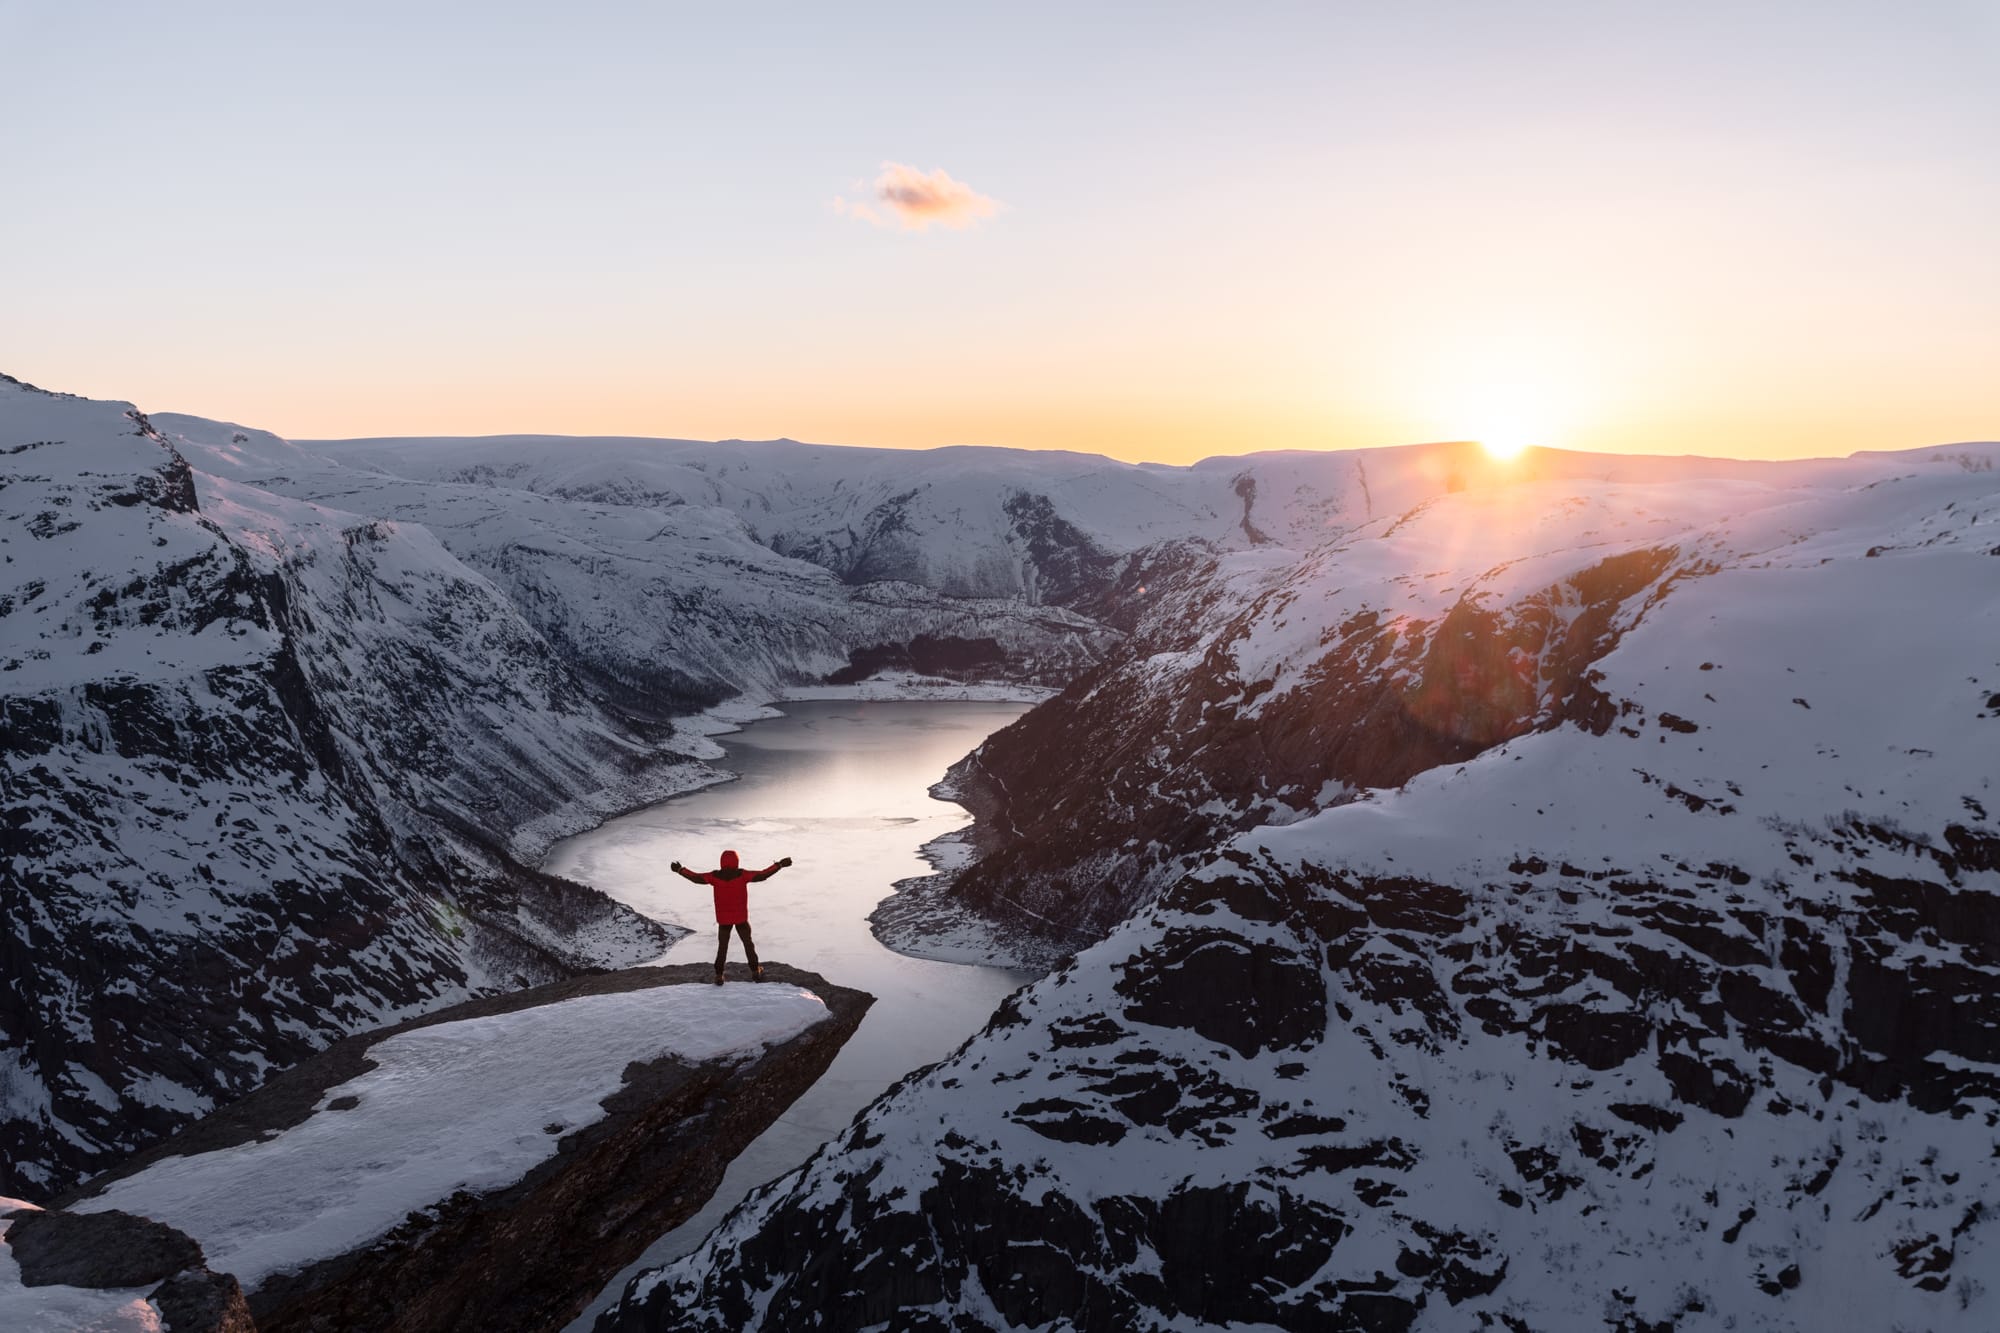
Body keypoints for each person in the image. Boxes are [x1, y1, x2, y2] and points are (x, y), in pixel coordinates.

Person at [670, 850, 792, 984]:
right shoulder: (743, 874)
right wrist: (779, 865)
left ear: (722, 862)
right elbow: (763, 875)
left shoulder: (714, 876)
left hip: (724, 920)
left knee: (722, 946)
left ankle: (719, 975)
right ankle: (755, 971)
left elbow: (696, 878)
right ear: (736, 861)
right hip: (741, 918)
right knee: (748, 944)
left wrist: (681, 870)